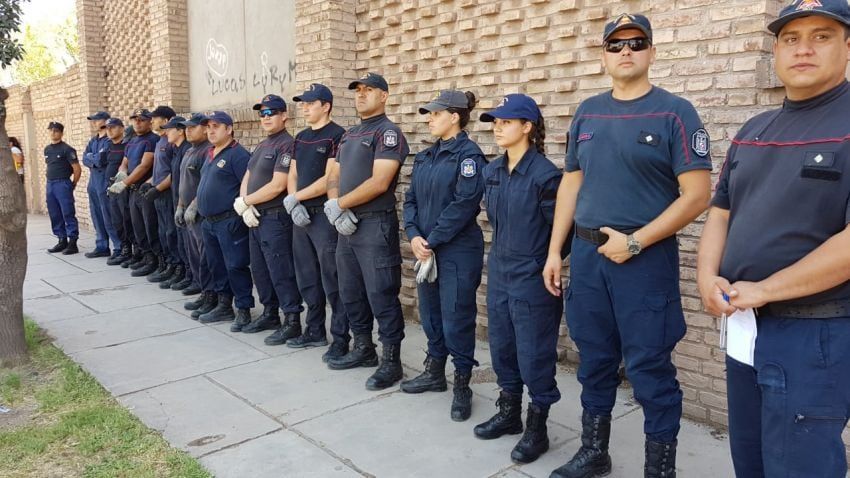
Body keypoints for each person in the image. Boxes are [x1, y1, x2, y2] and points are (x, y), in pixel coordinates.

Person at [545, 14, 712, 478]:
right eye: (616, 45)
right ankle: (594, 451)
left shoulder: (675, 112)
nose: (626, 52)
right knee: (593, 360)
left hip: (643, 262)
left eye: (637, 43)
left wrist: (636, 242)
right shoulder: (588, 111)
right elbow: (570, 185)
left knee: (649, 369)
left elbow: (698, 195)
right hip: (586, 258)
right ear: (603, 55)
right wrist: (554, 251)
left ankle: (660, 469)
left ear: (652, 53)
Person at [697, 2, 850, 476]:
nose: (803, 48)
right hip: (746, 327)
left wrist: (764, 289)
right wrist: (706, 277)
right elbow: (720, 212)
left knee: (799, 465)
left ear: (848, 46)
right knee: (752, 458)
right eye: (790, 37)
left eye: (822, 36)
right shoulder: (753, 130)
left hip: (815, 332)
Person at [472, 94, 562, 465]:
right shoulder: (492, 172)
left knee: (534, 354)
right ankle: (509, 413)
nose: (498, 127)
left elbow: (562, 231)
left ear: (527, 127)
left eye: (506, 122)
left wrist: (546, 263)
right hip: (501, 271)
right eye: (495, 121)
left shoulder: (545, 175)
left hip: (532, 276)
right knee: (503, 347)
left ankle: (537, 426)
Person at [400, 89, 486, 422]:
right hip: (429, 249)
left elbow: (464, 205)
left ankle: (462, 385)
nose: (430, 119)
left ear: (455, 117)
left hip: (456, 251)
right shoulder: (425, 157)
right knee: (431, 314)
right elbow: (410, 202)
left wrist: (431, 239)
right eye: (430, 113)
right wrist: (414, 236)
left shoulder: (469, 157)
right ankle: (434, 372)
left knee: (457, 318)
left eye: (436, 114)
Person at [324, 72, 410, 392]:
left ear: (384, 96)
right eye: (358, 91)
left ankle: (391, 361)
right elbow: (333, 172)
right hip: (345, 225)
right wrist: (335, 205)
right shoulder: (349, 134)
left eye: (369, 90)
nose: (361, 95)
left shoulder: (388, 133)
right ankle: (364, 349)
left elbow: (380, 182)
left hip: (374, 224)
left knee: (381, 293)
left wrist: (341, 204)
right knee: (350, 291)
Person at [231, 95, 304, 336]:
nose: (266, 117)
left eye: (271, 112)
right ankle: (270, 313)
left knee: (280, 269)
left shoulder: (287, 144)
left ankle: (291, 320)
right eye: (262, 113)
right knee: (260, 269)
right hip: (254, 215)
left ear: (284, 115)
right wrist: (245, 204)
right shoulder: (263, 145)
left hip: (275, 218)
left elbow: (278, 185)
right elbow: (248, 177)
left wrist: (246, 202)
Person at [284, 84, 347, 356]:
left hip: (323, 217)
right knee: (307, 277)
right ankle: (314, 330)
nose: (305, 107)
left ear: (326, 106)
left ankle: (341, 339)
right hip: (300, 219)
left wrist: (297, 198)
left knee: (332, 278)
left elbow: (331, 178)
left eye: (310, 103)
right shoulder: (300, 137)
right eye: (303, 103)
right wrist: (292, 200)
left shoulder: (338, 135)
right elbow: (293, 173)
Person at [194, 111, 254, 325]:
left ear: (229, 129)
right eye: (208, 126)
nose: (210, 130)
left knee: (235, 265)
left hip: (229, 221)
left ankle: (244, 309)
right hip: (209, 222)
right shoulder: (210, 153)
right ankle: (224, 305)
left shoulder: (238, 155)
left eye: (216, 127)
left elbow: (247, 186)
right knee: (216, 265)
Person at [108, 109, 162, 277]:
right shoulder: (131, 141)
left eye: (141, 120)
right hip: (132, 190)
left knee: (149, 227)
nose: (138, 123)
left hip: (145, 190)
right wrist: (122, 172)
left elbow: (144, 166)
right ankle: (144, 256)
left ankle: (155, 261)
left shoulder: (153, 140)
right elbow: (125, 162)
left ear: (149, 122)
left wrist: (125, 182)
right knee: (137, 226)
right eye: (135, 120)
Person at [177, 113, 217, 316]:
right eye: (186, 127)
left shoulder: (207, 152)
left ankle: (211, 294)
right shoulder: (189, 151)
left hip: (201, 214)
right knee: (194, 254)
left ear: (204, 129)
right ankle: (203, 290)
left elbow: (205, 183)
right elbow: (185, 183)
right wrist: (180, 205)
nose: (188, 130)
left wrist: (194, 205)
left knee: (205, 257)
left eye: (193, 127)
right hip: (188, 214)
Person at [145, 106, 182, 285]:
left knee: (170, 232)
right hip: (158, 193)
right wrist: (148, 184)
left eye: (155, 118)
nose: (151, 121)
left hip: (167, 194)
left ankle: (177, 267)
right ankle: (167, 264)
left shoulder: (172, 142)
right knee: (162, 232)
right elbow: (159, 171)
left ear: (167, 120)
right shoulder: (161, 140)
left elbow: (173, 173)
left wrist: (158, 188)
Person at [82, 111, 121, 259]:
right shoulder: (93, 141)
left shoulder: (108, 140)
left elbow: (101, 160)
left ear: (105, 121)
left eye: (96, 120)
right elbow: (84, 158)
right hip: (93, 182)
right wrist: (92, 158)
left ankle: (117, 247)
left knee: (108, 215)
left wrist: (92, 158)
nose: (93, 122)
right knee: (96, 215)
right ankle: (102, 245)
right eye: (93, 120)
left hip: (104, 181)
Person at [161, 115, 193, 291]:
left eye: (169, 129)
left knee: (188, 243)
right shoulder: (176, 149)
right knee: (179, 240)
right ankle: (185, 273)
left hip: (187, 203)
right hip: (177, 200)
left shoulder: (187, 149)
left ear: (180, 131)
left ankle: (192, 277)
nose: (166, 133)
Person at [44, 121, 81, 255]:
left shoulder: (67, 149)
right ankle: (61, 239)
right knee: (54, 213)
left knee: (67, 212)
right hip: (50, 184)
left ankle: (72, 242)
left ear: (61, 133)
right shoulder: (47, 149)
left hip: (62, 183)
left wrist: (73, 184)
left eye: (56, 131)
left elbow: (76, 169)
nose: (53, 133)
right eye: (51, 130)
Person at [103, 118, 133, 266]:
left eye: (113, 127)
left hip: (123, 188)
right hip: (111, 187)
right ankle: (123, 248)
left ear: (122, 129)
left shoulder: (127, 145)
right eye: (107, 128)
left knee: (126, 220)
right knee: (116, 221)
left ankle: (131, 252)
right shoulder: (108, 145)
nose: (109, 130)